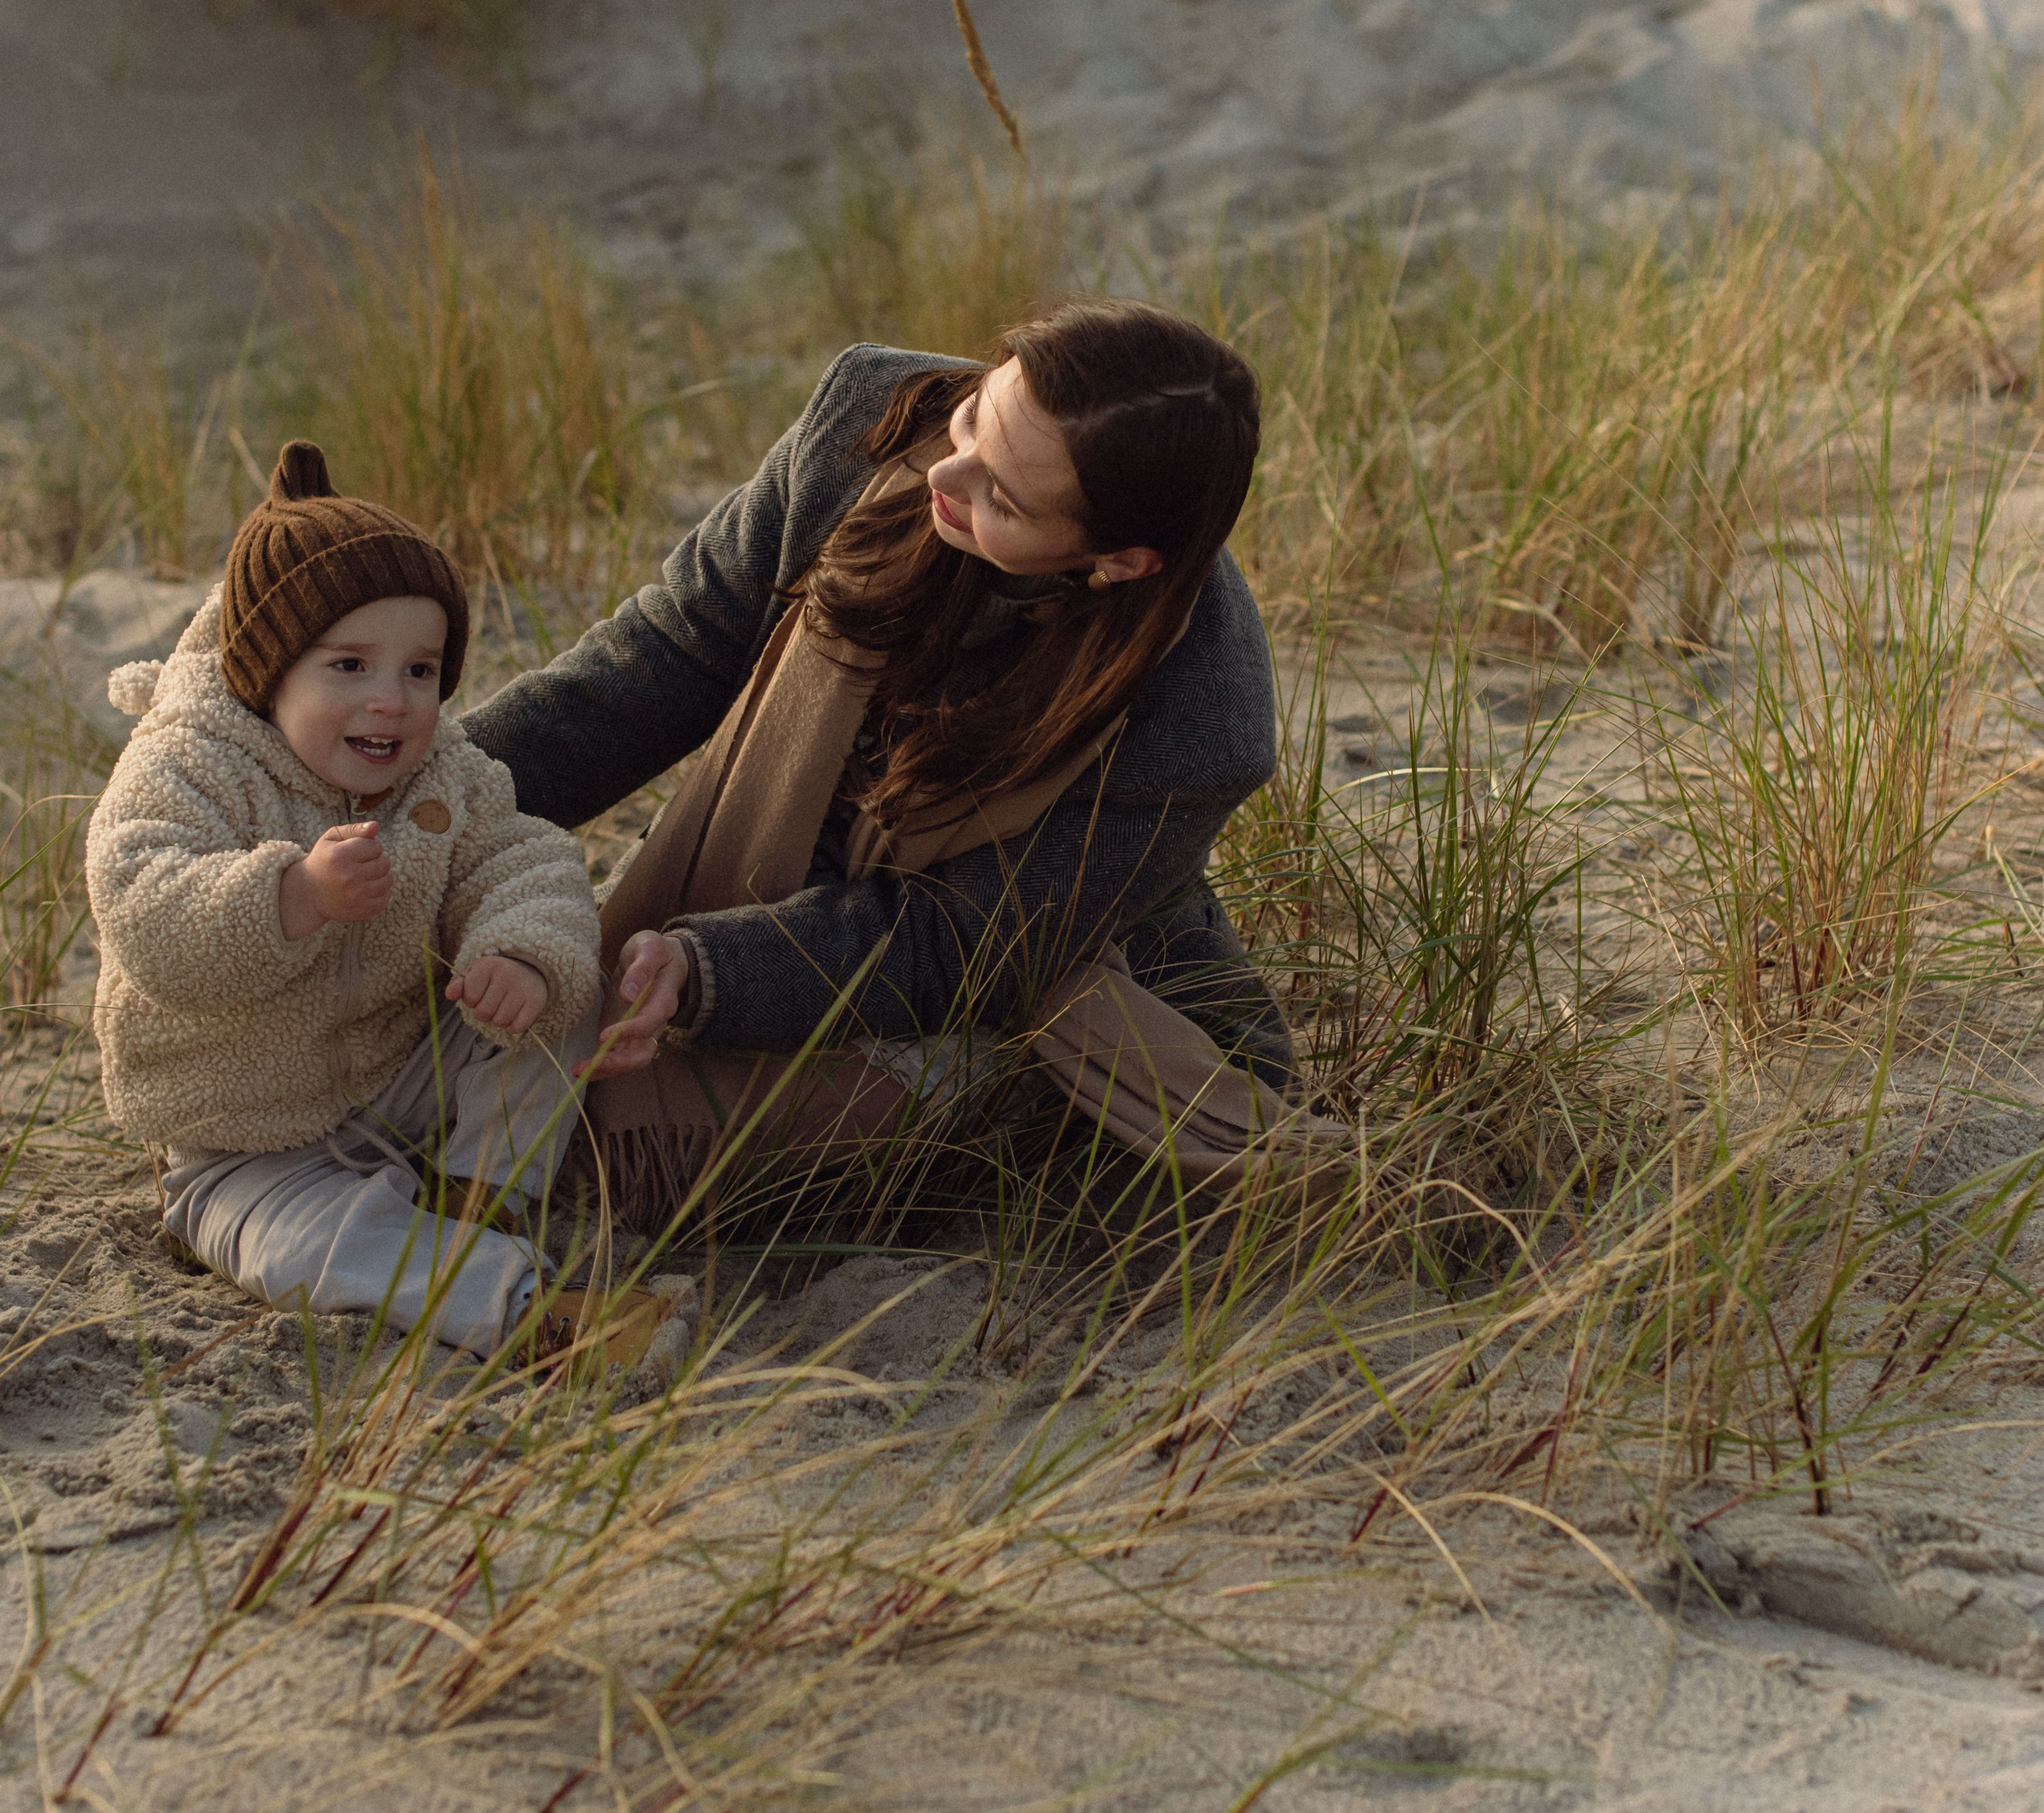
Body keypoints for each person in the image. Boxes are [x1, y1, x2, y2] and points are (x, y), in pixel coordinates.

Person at [462, 303, 1301, 1229]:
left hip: (1031, 982)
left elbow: (960, 944)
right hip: (779, 866)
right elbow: (670, 655)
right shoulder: (874, 415)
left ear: (1120, 563)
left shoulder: (1202, 712)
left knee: (622, 1162)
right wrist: (422, 794)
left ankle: (1029, 1124)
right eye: (977, 415)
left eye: (1006, 499)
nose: (945, 470)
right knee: (504, 1078)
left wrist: (710, 972)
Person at [87, 443, 660, 1363]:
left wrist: (514, 953)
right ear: (267, 669)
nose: (391, 702)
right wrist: (292, 895)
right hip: (243, 1140)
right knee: (309, 1244)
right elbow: (140, 903)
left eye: (420, 671)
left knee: (562, 974)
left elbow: (523, 858)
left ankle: (480, 1191)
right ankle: (518, 1306)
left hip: (399, 1078)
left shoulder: (444, 771)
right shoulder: (191, 762)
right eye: (349, 667)